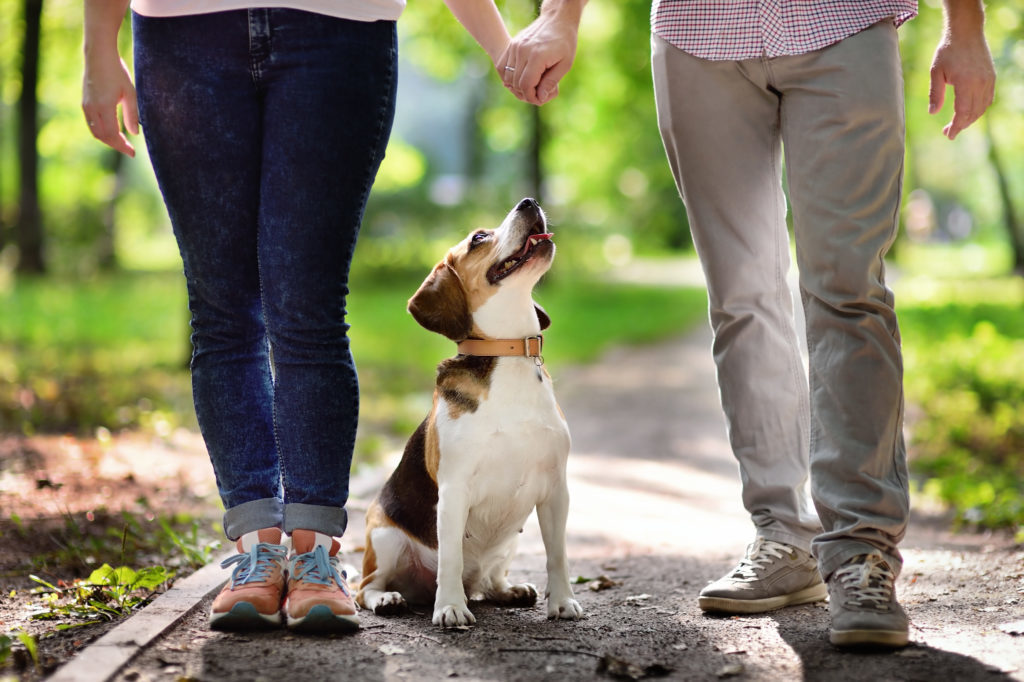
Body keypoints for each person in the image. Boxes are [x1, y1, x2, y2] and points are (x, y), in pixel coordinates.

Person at [497, 0, 995, 648]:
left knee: (849, 289)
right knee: (742, 296)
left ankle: (861, 555)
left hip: (844, 22)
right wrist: (562, 16)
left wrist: (966, 27)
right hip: (696, 34)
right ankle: (783, 537)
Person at [83, 0, 512, 633]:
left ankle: (315, 556)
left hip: (339, 30)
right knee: (222, 309)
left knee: (308, 310)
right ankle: (257, 552)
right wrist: (99, 46)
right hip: (182, 33)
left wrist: (503, 45)